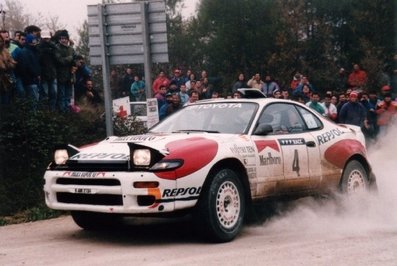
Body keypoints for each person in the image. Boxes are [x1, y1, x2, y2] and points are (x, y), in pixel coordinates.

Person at [17, 34, 41, 108]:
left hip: (33, 80)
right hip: (30, 81)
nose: (35, 43)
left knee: (34, 100)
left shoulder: (33, 51)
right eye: (33, 41)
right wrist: (36, 75)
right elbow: (27, 66)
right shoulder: (25, 52)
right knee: (33, 101)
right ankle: (33, 117)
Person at [37, 30, 58, 111]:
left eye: (47, 38)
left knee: (54, 93)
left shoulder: (53, 46)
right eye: (45, 38)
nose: (46, 40)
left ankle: (52, 111)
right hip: (43, 74)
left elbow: (57, 57)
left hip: (52, 73)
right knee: (44, 94)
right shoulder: (39, 47)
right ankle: (44, 112)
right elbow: (38, 59)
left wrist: (51, 48)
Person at [55, 30, 75, 112]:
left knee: (68, 96)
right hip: (60, 75)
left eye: (65, 38)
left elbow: (76, 59)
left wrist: (74, 63)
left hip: (69, 76)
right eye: (61, 38)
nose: (63, 40)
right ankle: (63, 112)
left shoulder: (71, 49)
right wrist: (70, 58)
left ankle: (68, 111)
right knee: (61, 95)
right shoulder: (57, 48)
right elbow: (60, 60)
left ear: (67, 39)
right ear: (59, 39)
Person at [0, 35, 16, 105]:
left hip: (5, 81)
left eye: (0, 41)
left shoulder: (5, 51)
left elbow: (12, 63)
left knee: (6, 102)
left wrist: (7, 64)